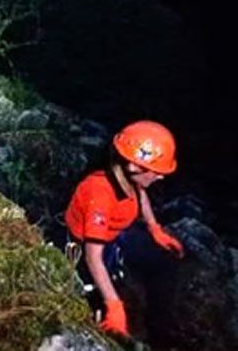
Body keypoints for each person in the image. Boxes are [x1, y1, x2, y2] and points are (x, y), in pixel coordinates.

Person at [64, 120, 185, 338]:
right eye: (156, 171)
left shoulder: (131, 179)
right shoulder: (99, 195)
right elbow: (93, 258)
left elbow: (140, 196)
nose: (161, 176)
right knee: (98, 313)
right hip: (86, 249)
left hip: (115, 236)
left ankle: (161, 333)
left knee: (165, 261)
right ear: (134, 166)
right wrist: (114, 305)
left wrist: (154, 228)